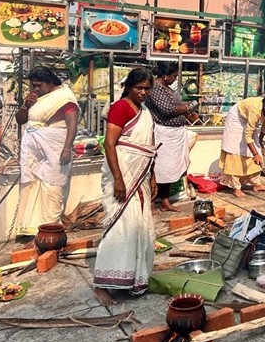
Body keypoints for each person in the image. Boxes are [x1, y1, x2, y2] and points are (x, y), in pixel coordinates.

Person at [92, 68, 157, 306]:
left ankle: (133, 279)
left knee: (139, 226)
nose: (143, 92)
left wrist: (153, 176)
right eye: (139, 88)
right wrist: (118, 179)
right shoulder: (120, 108)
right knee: (119, 227)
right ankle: (101, 285)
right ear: (129, 87)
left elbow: (149, 147)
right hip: (123, 173)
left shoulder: (145, 112)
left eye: (147, 89)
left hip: (141, 175)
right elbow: (110, 144)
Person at [16, 67, 79, 237]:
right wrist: (26, 105)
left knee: (53, 186)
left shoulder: (64, 97)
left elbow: (72, 124)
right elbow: (20, 120)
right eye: (33, 85)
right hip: (33, 148)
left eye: (39, 85)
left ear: (50, 82)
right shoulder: (35, 98)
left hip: (56, 147)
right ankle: (32, 227)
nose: (36, 88)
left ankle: (51, 227)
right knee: (31, 183)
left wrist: (67, 148)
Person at [146, 62, 197, 212]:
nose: (175, 79)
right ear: (165, 75)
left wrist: (186, 110)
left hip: (174, 135)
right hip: (163, 134)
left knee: (169, 171)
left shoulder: (168, 88)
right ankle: (151, 202)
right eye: (174, 76)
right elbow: (167, 110)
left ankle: (165, 201)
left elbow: (177, 107)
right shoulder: (155, 88)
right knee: (158, 169)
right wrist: (188, 107)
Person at [219, 91, 265, 197]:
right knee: (236, 152)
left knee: (255, 148)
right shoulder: (255, 110)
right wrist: (255, 154)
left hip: (247, 121)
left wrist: (260, 143)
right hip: (237, 118)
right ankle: (236, 187)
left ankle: (256, 183)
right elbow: (248, 135)